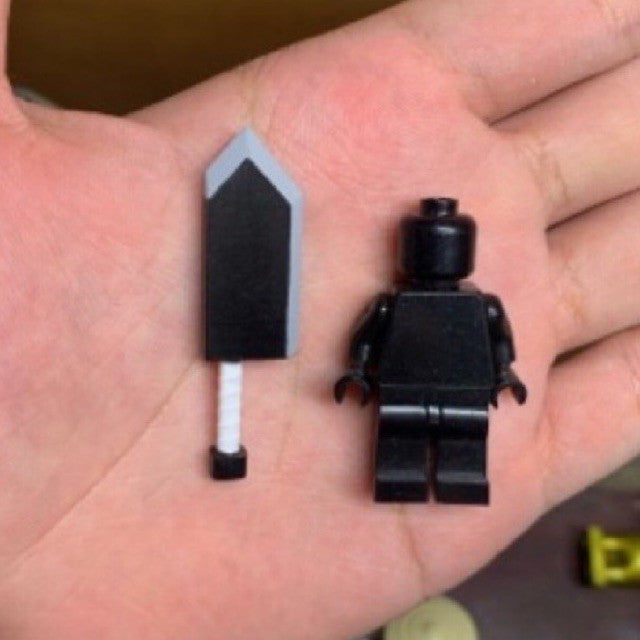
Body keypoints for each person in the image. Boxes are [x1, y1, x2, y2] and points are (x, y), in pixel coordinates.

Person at [0, 0, 639, 637]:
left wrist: (502, 372)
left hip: (457, 390)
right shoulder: (399, 302)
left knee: (463, 454)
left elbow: (498, 339)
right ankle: (406, 477)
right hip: (404, 391)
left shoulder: (474, 304)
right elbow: (372, 334)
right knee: (399, 453)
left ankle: (459, 479)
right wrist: (359, 369)